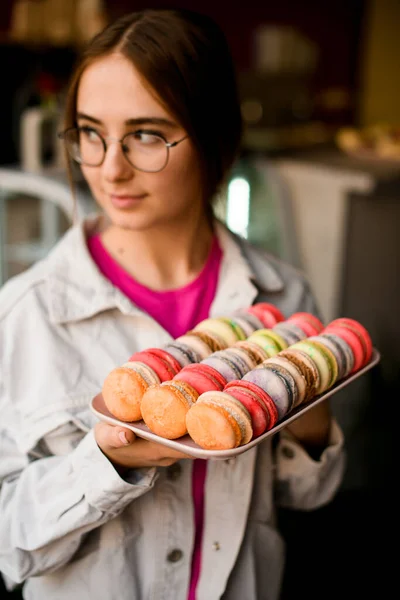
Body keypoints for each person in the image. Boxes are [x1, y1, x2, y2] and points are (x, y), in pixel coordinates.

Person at [0, 8, 345, 600]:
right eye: (90, 132)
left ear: (214, 134)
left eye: (146, 134)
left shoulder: (283, 301)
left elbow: (305, 495)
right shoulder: (28, 314)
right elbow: (8, 544)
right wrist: (107, 461)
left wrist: (308, 414)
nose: (110, 168)